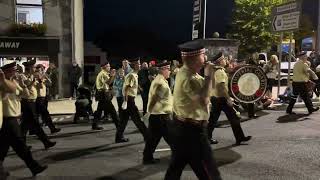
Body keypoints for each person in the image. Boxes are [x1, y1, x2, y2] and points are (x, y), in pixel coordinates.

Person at [164, 42, 222, 180]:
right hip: (192, 131)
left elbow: (210, 89)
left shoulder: (189, 73)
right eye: (203, 55)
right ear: (194, 59)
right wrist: (208, 76)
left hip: (185, 129)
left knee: (176, 167)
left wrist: (212, 74)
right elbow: (204, 99)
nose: (205, 58)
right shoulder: (187, 77)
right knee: (209, 169)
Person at [0, 62, 48, 177]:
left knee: (4, 148)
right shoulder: (3, 83)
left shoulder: (14, 82)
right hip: (7, 119)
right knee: (20, 145)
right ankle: (34, 166)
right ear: (6, 72)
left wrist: (22, 84)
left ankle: (1, 171)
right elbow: (11, 90)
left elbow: (25, 94)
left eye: (16, 70)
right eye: (13, 70)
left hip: (13, 118)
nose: (15, 72)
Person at [207, 52, 252, 145]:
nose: (225, 60)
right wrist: (228, 98)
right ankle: (240, 138)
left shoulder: (218, 70)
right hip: (221, 99)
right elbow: (221, 87)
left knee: (213, 119)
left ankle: (207, 137)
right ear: (220, 61)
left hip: (216, 98)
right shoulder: (219, 72)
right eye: (223, 59)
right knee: (233, 117)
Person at [20, 59, 56, 150]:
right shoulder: (22, 76)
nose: (34, 69)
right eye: (33, 68)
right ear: (28, 68)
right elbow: (27, 85)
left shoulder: (32, 76)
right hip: (27, 103)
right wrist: (33, 80)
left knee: (25, 126)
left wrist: (40, 80)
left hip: (32, 102)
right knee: (34, 124)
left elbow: (39, 86)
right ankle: (46, 142)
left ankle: (23, 145)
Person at [142, 62, 172, 165]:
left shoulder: (159, 80)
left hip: (157, 116)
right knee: (173, 138)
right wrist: (148, 112)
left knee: (152, 139)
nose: (170, 71)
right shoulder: (161, 83)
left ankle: (147, 157)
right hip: (161, 116)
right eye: (168, 69)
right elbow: (155, 99)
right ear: (163, 69)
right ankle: (180, 157)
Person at [116, 58, 148, 143]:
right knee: (137, 119)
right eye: (139, 64)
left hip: (129, 99)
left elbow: (131, 87)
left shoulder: (135, 74)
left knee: (124, 120)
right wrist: (126, 101)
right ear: (135, 66)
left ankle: (118, 137)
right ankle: (147, 136)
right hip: (129, 100)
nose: (140, 65)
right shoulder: (132, 75)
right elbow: (126, 88)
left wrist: (139, 88)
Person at [92, 62, 120, 134]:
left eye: (109, 66)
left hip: (101, 93)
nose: (109, 67)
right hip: (104, 94)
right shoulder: (103, 74)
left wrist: (112, 76)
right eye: (108, 66)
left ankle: (95, 125)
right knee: (112, 110)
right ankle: (119, 126)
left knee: (99, 110)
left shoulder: (102, 73)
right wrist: (112, 76)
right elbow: (108, 82)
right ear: (104, 67)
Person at [34, 65, 61, 134]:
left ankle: (34, 130)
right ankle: (52, 128)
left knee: (39, 115)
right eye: (39, 70)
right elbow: (39, 86)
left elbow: (49, 84)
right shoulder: (35, 77)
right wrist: (40, 80)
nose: (41, 72)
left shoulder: (43, 76)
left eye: (42, 70)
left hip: (44, 97)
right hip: (38, 98)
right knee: (45, 114)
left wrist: (46, 78)